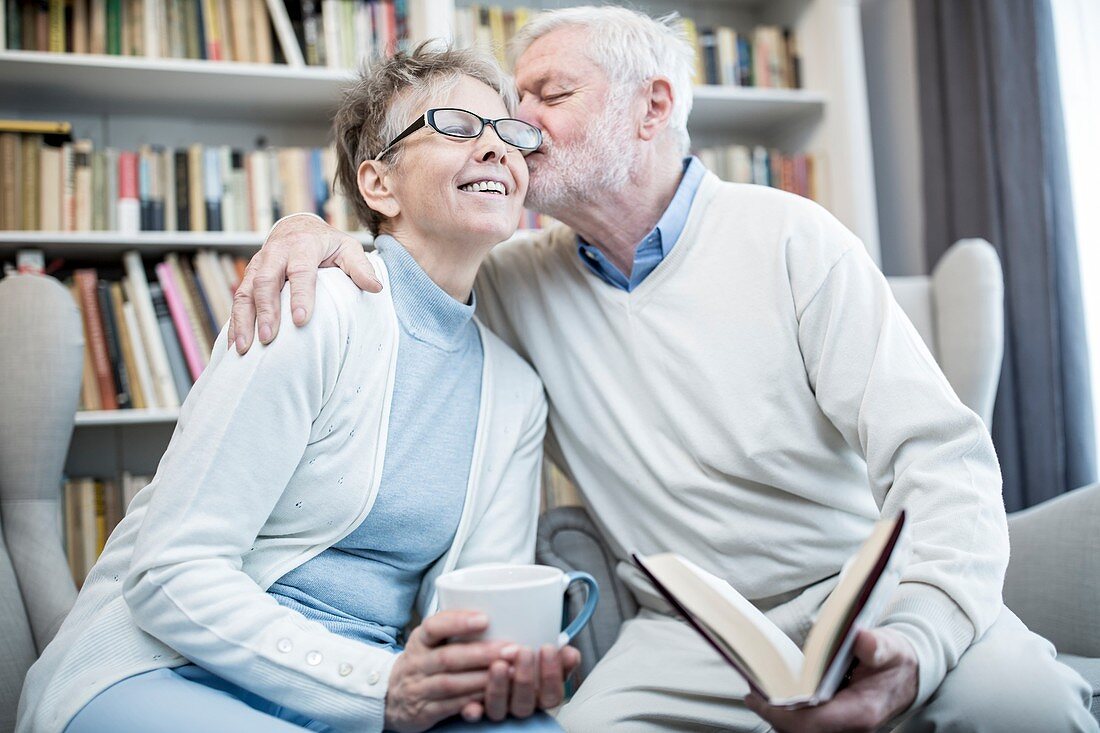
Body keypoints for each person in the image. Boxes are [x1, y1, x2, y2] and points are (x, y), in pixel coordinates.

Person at [229, 7, 1098, 733]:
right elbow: (409, 279)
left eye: (547, 95)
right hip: (685, 637)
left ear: (651, 108)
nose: (516, 125)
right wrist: (305, 230)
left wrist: (923, 635)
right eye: (508, 103)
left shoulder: (794, 238)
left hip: (860, 602)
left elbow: (942, 463)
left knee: (1023, 708)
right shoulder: (512, 281)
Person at [17, 46, 580, 733]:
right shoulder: (308, 301)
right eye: (458, 125)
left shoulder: (516, 392)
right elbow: (170, 573)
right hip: (168, 666)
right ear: (379, 186)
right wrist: (382, 687)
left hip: (374, 689)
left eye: (509, 134)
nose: (496, 150)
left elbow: (474, 612)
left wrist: (492, 674)